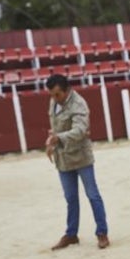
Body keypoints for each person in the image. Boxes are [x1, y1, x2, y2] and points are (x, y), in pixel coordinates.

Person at [45, 74, 110, 250]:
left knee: (93, 195)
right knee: (70, 198)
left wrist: (57, 138)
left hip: (81, 156)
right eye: (51, 95)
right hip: (63, 158)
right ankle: (71, 234)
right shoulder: (55, 102)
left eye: (57, 94)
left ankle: (102, 232)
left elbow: (80, 130)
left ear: (67, 90)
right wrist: (52, 141)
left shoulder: (79, 104)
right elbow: (57, 128)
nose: (54, 98)